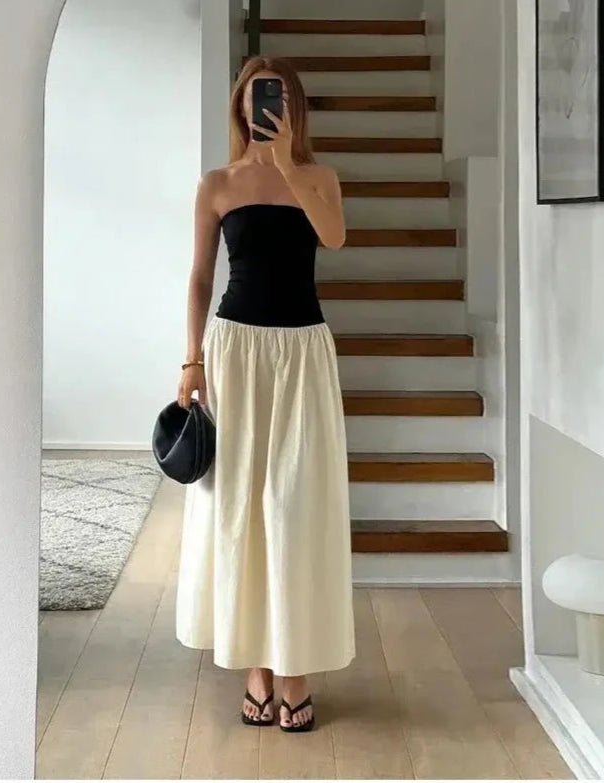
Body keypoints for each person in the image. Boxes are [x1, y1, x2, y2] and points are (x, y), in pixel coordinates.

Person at [174, 55, 356, 733]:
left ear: (292, 106)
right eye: (253, 98)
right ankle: (256, 664)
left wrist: (285, 165)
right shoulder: (217, 184)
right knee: (239, 507)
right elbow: (199, 276)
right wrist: (191, 360)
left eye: (273, 97)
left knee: (295, 506)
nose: (262, 108)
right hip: (235, 352)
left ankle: (295, 665)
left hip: (303, 351)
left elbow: (334, 238)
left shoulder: (318, 177)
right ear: (239, 108)